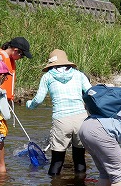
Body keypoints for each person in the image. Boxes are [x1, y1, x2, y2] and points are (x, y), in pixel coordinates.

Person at [26, 49, 92, 177]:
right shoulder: (79, 75)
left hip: (61, 120)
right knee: (80, 159)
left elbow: (38, 99)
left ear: (51, 64)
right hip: (81, 119)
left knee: (57, 162)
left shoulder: (48, 77)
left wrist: (29, 105)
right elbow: (91, 93)